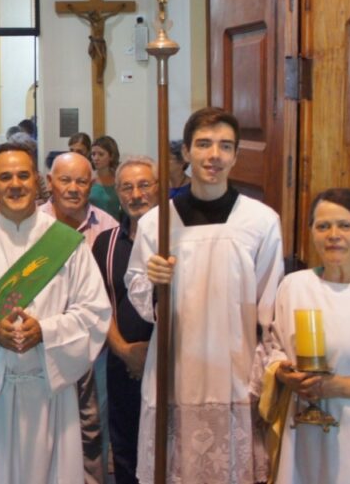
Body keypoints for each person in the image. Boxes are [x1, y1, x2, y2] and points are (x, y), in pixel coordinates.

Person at [126, 107, 284, 484]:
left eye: (225, 146)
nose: (214, 155)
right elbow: (140, 294)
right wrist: (154, 282)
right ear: (186, 153)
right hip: (174, 370)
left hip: (235, 370)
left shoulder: (261, 222)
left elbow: (271, 306)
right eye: (204, 144)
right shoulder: (157, 223)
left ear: (235, 156)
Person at [0, 143, 111, 484]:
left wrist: (47, 331)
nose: (15, 184)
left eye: (23, 175)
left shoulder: (66, 243)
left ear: (37, 181)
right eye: (5, 177)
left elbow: (94, 311)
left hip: (51, 390)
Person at [260, 188, 350, 484]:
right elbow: (273, 350)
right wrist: (282, 373)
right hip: (303, 436)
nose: (333, 234)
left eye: (345, 225)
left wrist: (336, 387)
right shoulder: (294, 286)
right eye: (323, 226)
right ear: (311, 232)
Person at [41, 151, 118, 483]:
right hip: (42, 346)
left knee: (92, 430)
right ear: (49, 183)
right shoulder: (32, 223)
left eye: (81, 181)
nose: (73, 188)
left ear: (93, 183)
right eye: (65, 180)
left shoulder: (107, 227)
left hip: (93, 350)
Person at [91, 156, 159, 484]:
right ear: (117, 193)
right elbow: (98, 305)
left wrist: (154, 353)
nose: (136, 195)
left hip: (169, 368)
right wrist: (124, 351)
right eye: (127, 187)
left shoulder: (179, 241)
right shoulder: (106, 243)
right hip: (123, 368)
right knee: (126, 453)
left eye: (145, 185)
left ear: (161, 188)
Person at [89, 135, 122, 220]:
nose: (96, 158)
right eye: (93, 154)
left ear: (111, 156)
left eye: (101, 154)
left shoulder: (119, 180)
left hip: (114, 227)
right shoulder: (88, 179)